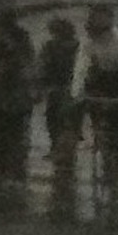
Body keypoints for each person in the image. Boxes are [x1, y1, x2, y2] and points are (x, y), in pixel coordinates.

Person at [70, 4, 118, 196]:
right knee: (100, 129)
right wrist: (77, 95)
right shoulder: (88, 42)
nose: (96, 34)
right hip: (99, 84)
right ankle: (107, 166)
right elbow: (81, 68)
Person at [0, 9, 36, 185]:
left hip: (7, 96)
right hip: (19, 96)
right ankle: (17, 171)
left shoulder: (3, 42)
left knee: (4, 134)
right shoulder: (24, 39)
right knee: (17, 134)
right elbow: (29, 64)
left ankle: (5, 171)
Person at [38, 17, 80, 170]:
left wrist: (41, 85)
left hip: (57, 89)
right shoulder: (78, 47)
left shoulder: (51, 47)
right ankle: (67, 151)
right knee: (68, 122)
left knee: (54, 120)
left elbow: (42, 67)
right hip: (71, 89)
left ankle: (58, 148)